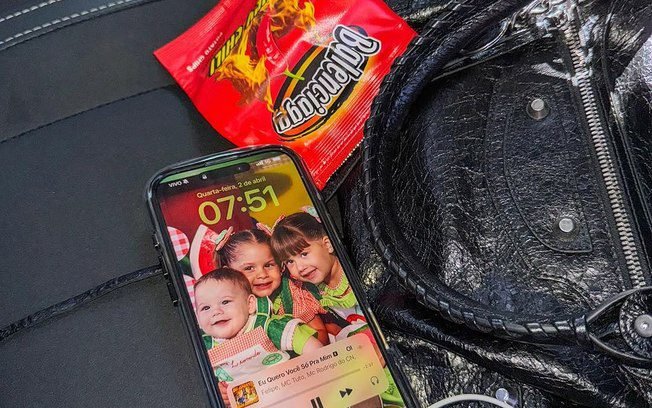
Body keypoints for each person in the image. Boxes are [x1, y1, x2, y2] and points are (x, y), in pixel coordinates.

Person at [194, 268, 323, 404]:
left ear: (250, 304)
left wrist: (310, 377)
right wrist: (217, 392)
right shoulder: (204, 349)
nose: (216, 312)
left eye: (225, 302)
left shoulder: (266, 327)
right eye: (206, 308)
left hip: (290, 394)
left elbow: (314, 349)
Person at [216, 228, 329, 344]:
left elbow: (320, 332)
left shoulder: (293, 294)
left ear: (280, 265)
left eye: (269, 265)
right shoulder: (226, 308)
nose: (262, 275)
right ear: (229, 274)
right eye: (249, 268)